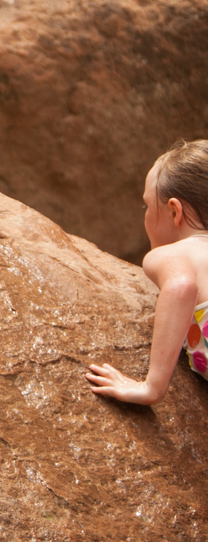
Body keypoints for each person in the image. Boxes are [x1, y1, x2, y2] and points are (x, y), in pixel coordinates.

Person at [88, 140, 208, 404]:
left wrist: (151, 387)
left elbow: (181, 287)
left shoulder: (173, 254)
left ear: (174, 211)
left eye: (146, 206)